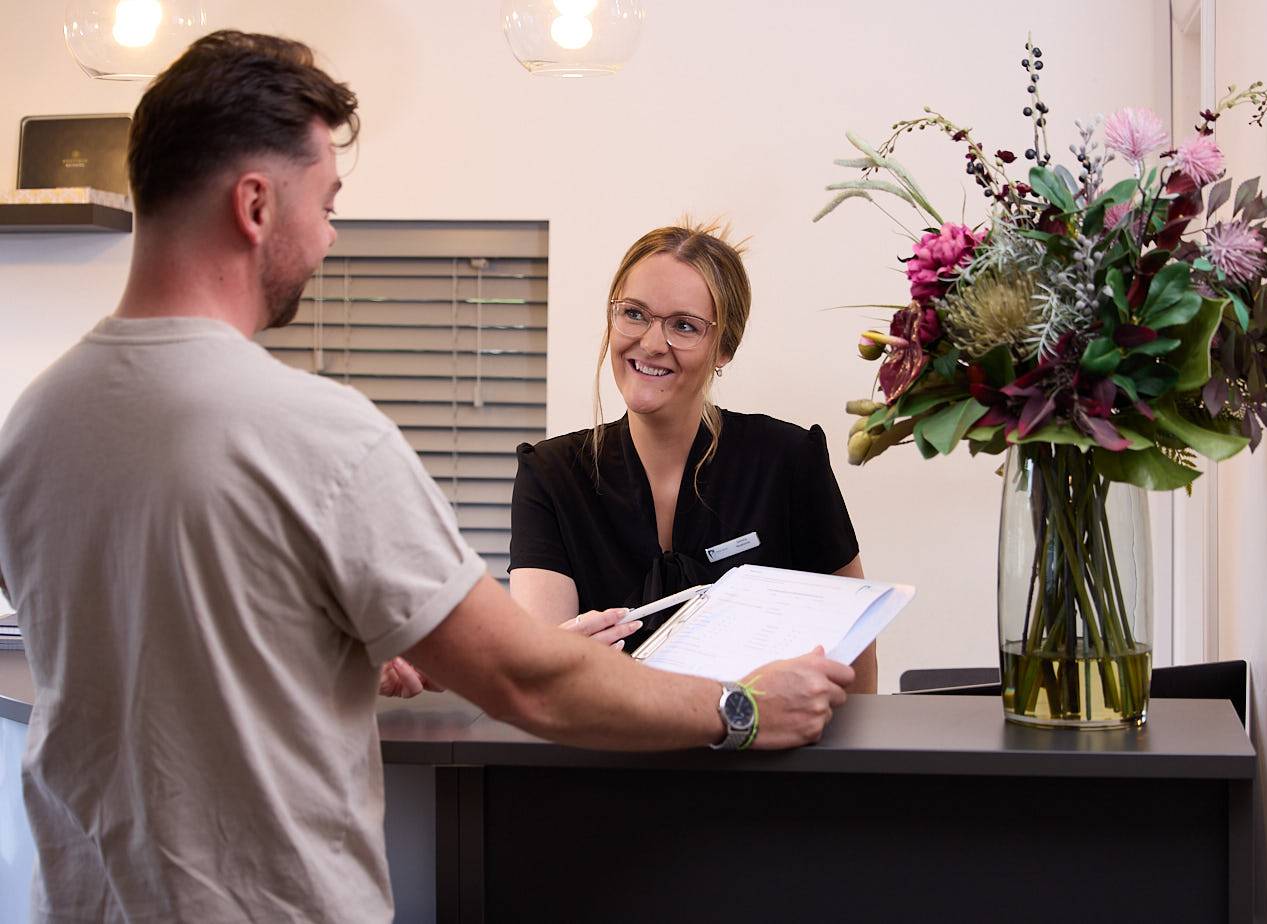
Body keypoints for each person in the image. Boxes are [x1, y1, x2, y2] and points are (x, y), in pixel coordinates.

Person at [0, 32, 853, 923]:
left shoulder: (36, 422)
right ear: (254, 204)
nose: (329, 236)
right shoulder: (317, 435)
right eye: (325, 203)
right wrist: (740, 710)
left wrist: (336, 652)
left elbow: (156, 654)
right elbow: (534, 681)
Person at [509, 224, 878, 692]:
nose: (651, 343)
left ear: (724, 348)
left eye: (683, 325)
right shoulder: (551, 475)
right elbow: (540, 682)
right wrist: (554, 661)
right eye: (635, 314)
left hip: (769, 758)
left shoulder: (788, 462)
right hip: (599, 756)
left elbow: (855, 665)